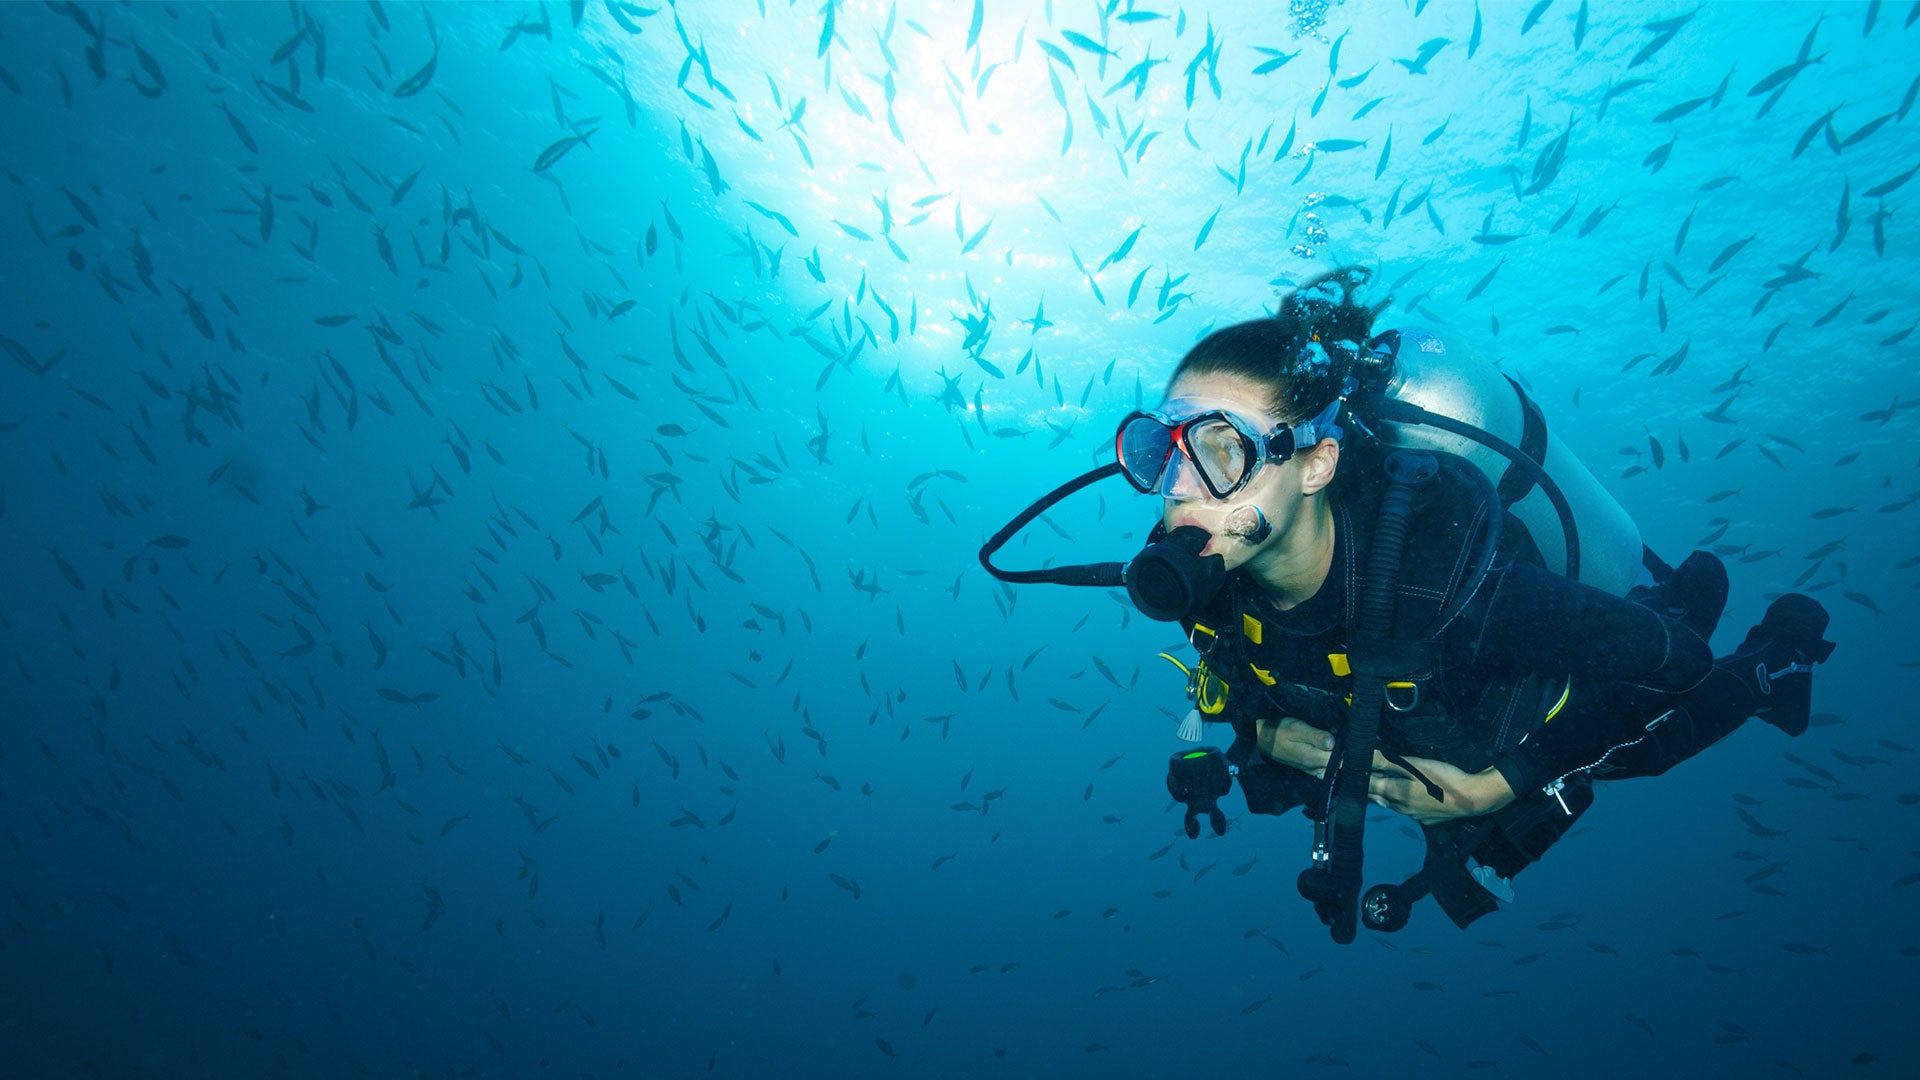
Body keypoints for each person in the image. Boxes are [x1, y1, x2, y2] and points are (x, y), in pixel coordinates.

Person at [987, 266, 1837, 935]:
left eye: (1219, 449)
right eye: (1161, 452)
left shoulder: (1446, 583)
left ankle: (1777, 647)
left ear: (1317, 463)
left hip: (1536, 711)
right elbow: (1230, 682)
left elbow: (1676, 663)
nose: (1181, 489)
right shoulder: (1207, 576)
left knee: (1654, 739)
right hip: (1411, 735)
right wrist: (1256, 738)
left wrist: (1502, 784)